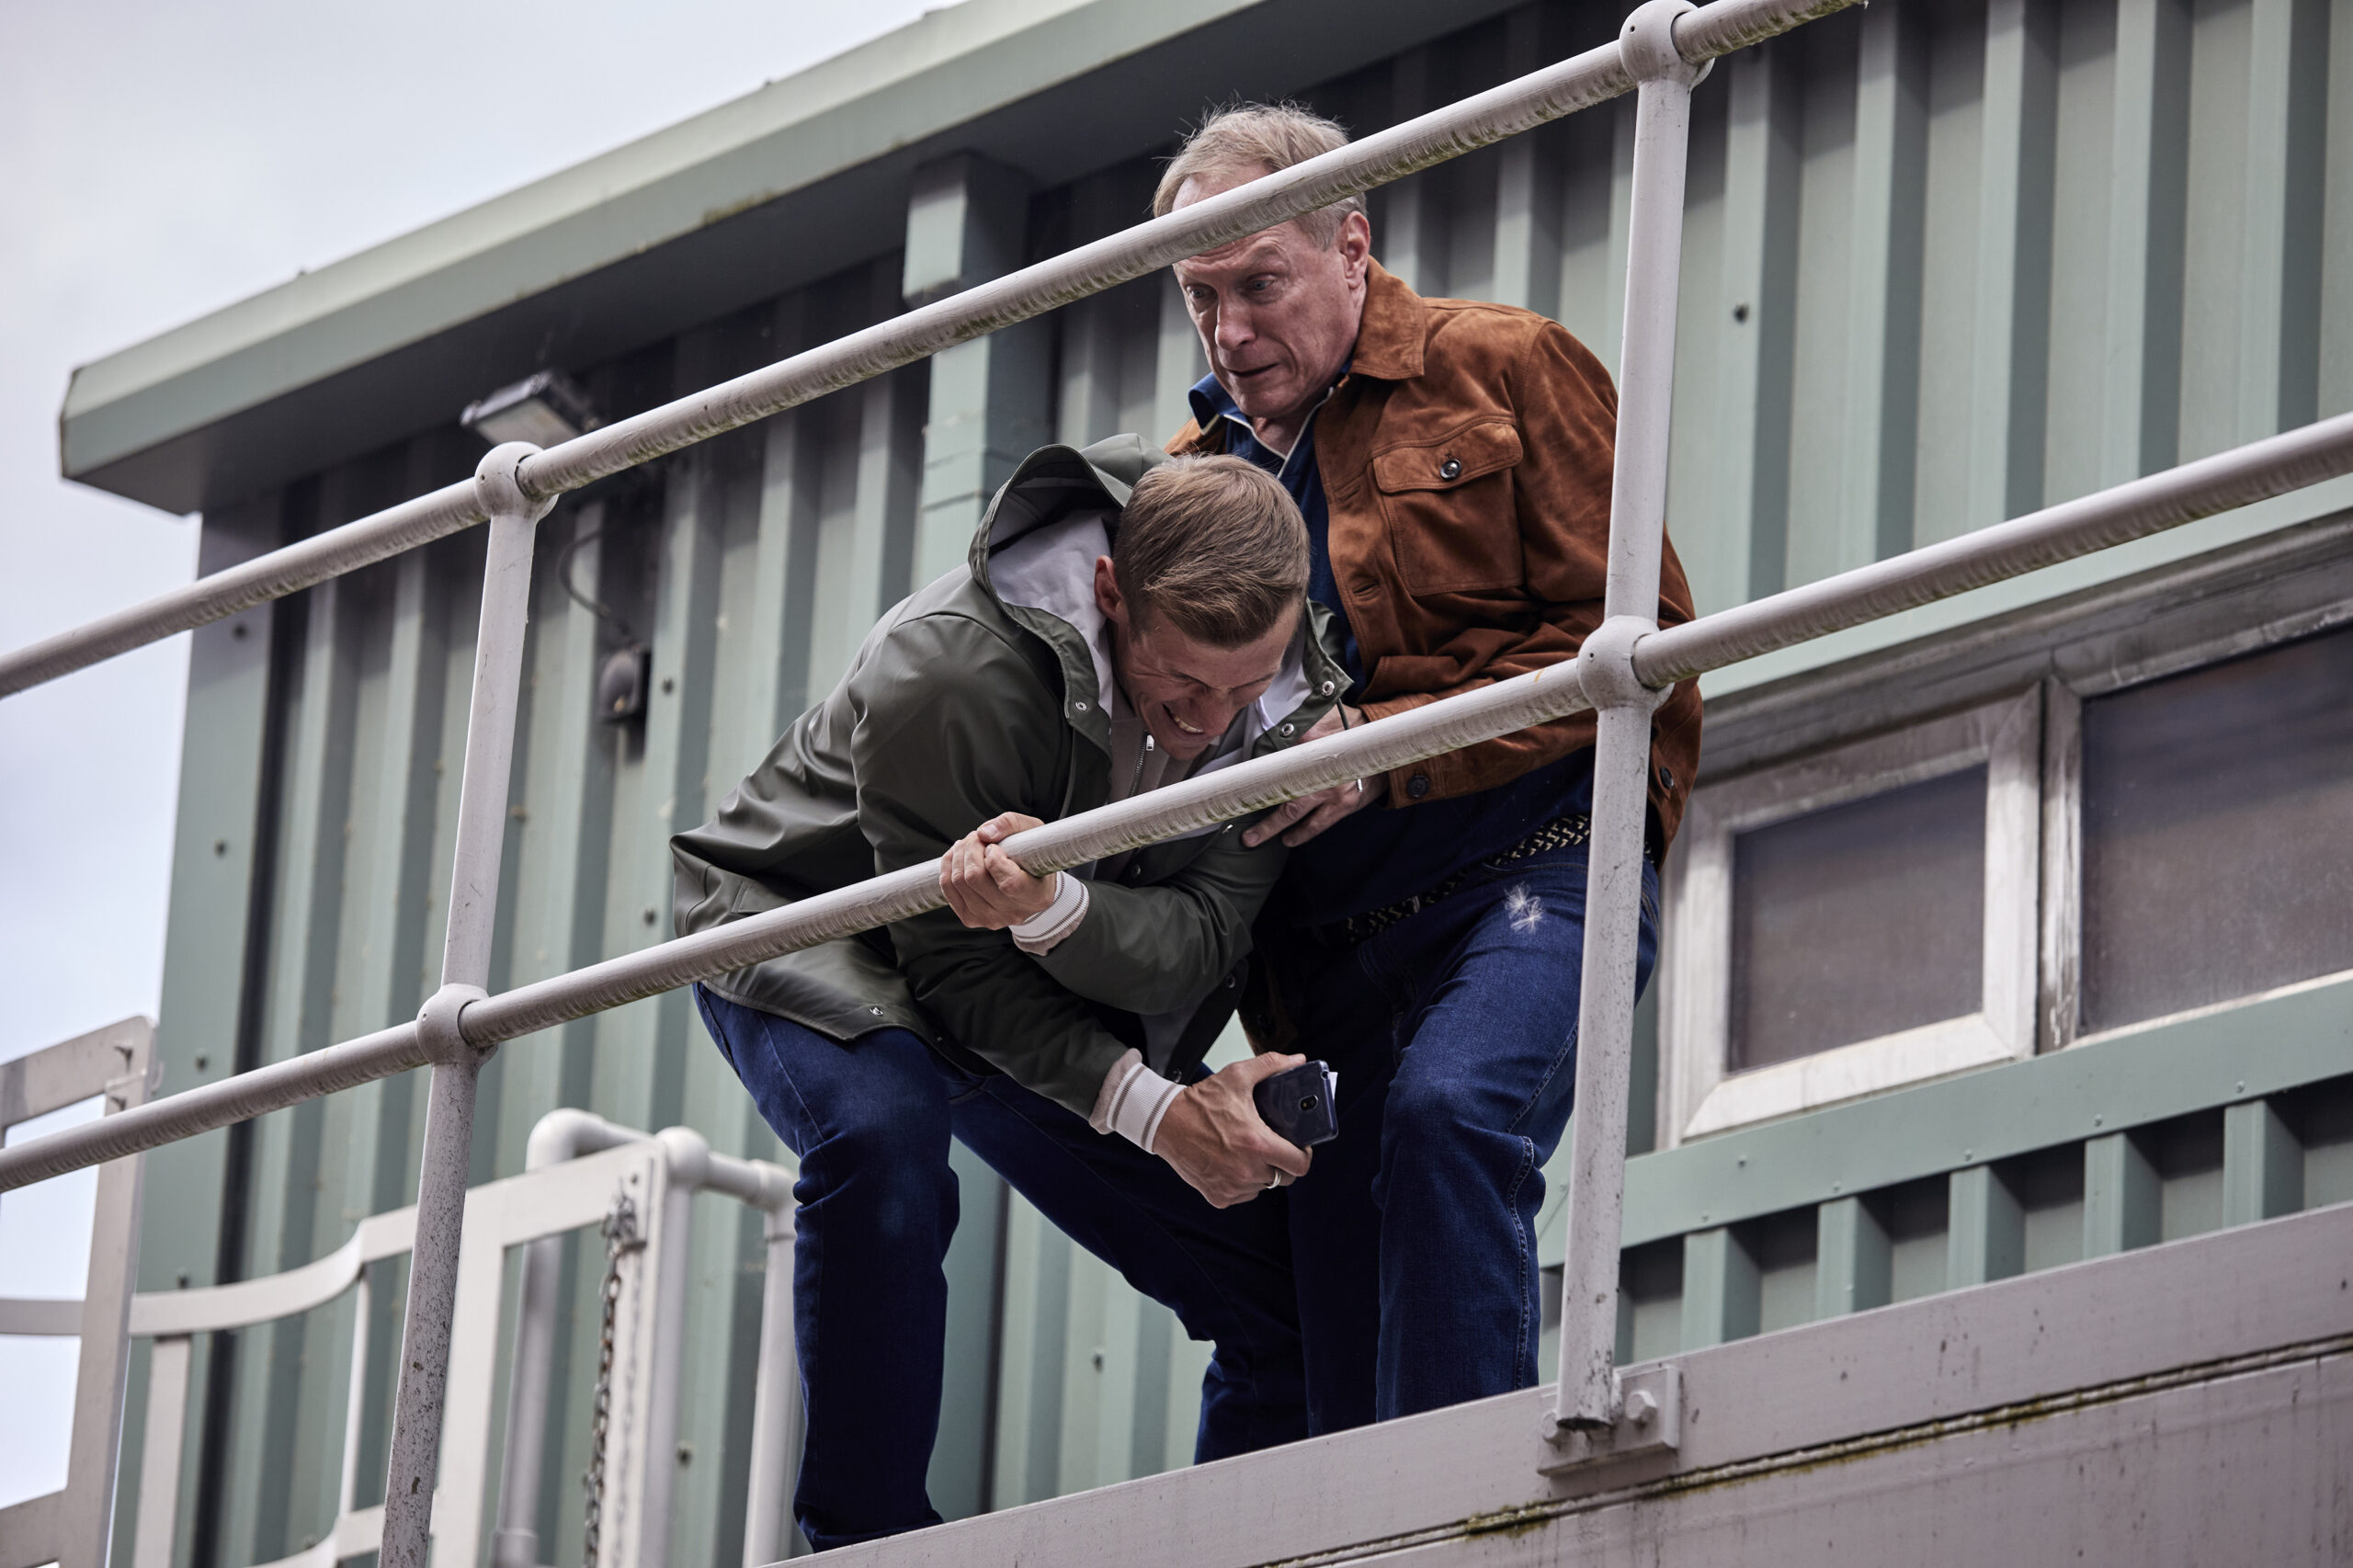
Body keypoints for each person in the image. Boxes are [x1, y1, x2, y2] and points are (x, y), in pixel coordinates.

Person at [672, 441, 1351, 1551]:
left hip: (1027, 960)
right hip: (819, 922)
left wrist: (1053, 910)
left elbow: (1201, 939)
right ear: (1108, 591)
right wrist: (1151, 1109)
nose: (1211, 719)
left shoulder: (1278, 702)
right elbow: (951, 973)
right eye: (1182, 684)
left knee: (1284, 1297)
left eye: (1242, 688)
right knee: (883, 1135)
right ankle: (867, 1539)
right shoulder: (947, 671)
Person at [1154, 104, 1705, 1432]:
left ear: (1353, 245)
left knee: (1452, 1115)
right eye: (1200, 297)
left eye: (1260, 282)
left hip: (1533, 872)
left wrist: (1392, 752)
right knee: (1334, 1328)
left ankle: (1473, 1523)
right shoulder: (1183, 482)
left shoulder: (1507, 365)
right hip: (1321, 953)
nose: (1230, 330)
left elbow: (1644, 646)